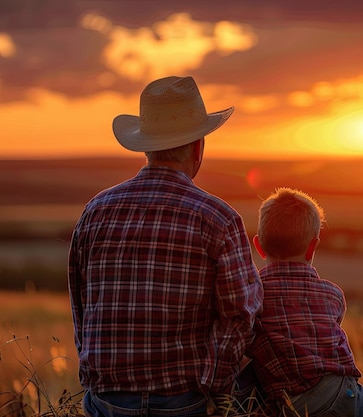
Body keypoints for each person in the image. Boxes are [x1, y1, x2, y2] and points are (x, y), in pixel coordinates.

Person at [67, 76, 263, 417]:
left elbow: (82, 306)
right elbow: (241, 314)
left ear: (146, 146)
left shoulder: (95, 211)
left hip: (106, 400)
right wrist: (215, 387)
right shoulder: (218, 218)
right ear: (198, 146)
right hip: (184, 400)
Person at [246, 187, 363, 417]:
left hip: (291, 404)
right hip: (343, 393)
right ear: (313, 247)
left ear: (258, 246)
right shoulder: (332, 295)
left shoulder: (252, 296)